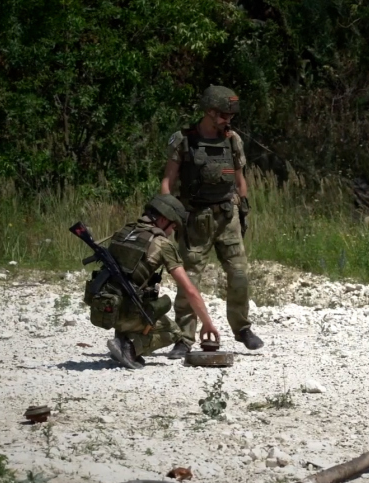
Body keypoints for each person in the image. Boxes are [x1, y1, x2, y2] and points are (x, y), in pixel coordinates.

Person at [160, 85, 263, 359]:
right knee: (189, 279)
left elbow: (240, 181)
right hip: (195, 219)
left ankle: (242, 328)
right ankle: (184, 338)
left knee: (239, 274)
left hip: (227, 217)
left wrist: (242, 210)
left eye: (230, 115)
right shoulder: (183, 140)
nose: (228, 120)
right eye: (223, 114)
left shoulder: (233, 141)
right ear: (209, 111)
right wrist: (169, 218)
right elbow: (167, 182)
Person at [84, 194, 221, 369]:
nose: (172, 232)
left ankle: (123, 337)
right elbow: (190, 290)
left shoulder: (123, 232)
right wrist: (208, 324)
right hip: (125, 312)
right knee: (172, 331)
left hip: (104, 307)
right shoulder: (161, 244)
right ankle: (130, 348)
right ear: (163, 219)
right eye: (173, 226)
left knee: (146, 299)